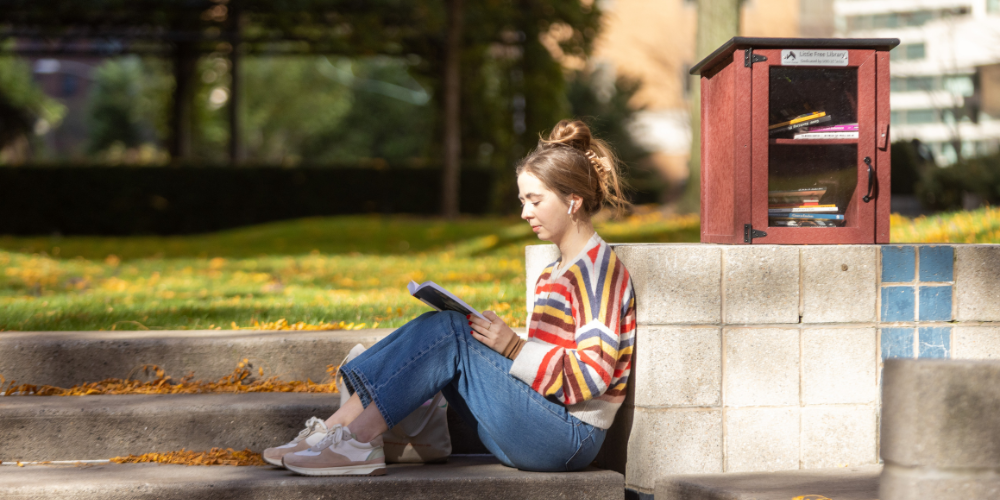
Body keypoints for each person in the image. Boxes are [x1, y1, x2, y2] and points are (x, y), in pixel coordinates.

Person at [263, 119, 636, 476]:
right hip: (536, 423)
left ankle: (356, 442)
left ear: (573, 201)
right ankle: (332, 432)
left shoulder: (597, 272)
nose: (525, 212)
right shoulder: (553, 272)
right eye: (523, 200)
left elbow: (593, 377)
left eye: (535, 201)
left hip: (568, 438)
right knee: (446, 324)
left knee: (451, 331)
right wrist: (500, 345)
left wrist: (512, 349)